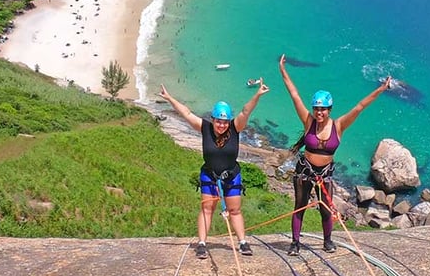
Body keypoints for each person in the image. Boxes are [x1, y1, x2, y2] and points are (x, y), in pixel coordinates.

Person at [279, 54, 391, 255]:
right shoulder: (308, 121)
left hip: (325, 174)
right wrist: (283, 71)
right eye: (316, 109)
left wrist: (380, 90)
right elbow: (294, 94)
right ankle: (295, 243)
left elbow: (359, 107)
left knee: (325, 209)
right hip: (304, 171)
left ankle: (327, 241)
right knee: (300, 207)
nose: (319, 113)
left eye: (323, 109)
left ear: (329, 110)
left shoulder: (338, 126)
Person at [158, 80, 270, 259]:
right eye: (219, 121)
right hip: (209, 175)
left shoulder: (235, 128)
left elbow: (245, 111)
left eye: (225, 122)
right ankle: (202, 243)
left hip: (231, 175)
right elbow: (186, 113)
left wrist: (257, 94)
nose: (222, 125)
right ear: (213, 119)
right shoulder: (205, 128)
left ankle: (242, 242)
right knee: (207, 209)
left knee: (235, 210)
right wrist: (169, 98)